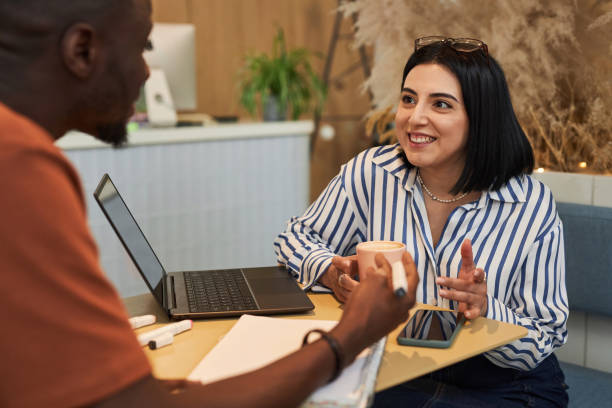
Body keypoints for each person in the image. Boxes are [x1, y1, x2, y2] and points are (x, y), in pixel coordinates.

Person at [0, 1, 421, 407]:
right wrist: (350, 335)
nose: (148, 73)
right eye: (143, 47)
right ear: (82, 51)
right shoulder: (19, 166)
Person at [275, 36, 569, 407]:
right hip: (400, 367)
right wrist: (332, 274)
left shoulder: (529, 203)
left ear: (481, 118)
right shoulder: (372, 172)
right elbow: (294, 237)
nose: (414, 118)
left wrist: (485, 308)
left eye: (441, 104)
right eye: (408, 99)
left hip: (506, 384)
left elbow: (544, 338)